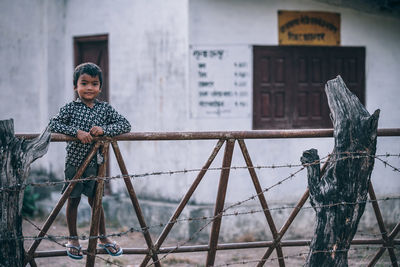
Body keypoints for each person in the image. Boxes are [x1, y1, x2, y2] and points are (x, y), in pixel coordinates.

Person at [49, 62, 131, 259]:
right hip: (75, 163)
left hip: (97, 163)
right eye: (84, 83)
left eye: (94, 84)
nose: (89, 88)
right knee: (73, 199)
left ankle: (102, 237)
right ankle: (73, 238)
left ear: (100, 87)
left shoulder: (105, 109)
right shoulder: (70, 108)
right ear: (75, 86)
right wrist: (76, 132)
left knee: (97, 201)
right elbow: (53, 124)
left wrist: (104, 130)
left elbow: (125, 125)